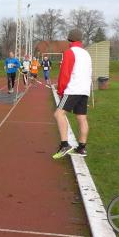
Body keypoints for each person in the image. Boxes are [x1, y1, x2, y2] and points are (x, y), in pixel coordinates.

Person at [52, 29, 91, 158]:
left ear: (69, 39)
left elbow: (65, 73)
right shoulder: (86, 53)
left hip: (73, 89)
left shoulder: (70, 52)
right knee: (82, 118)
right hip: (84, 89)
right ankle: (82, 148)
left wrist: (60, 90)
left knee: (59, 114)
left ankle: (64, 145)